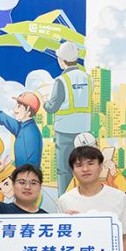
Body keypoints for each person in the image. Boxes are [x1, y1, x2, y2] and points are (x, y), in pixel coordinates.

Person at [44, 42, 93, 192]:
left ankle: (65, 201)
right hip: (84, 129)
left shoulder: (61, 81)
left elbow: (52, 107)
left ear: (61, 60)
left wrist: (45, 103)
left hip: (65, 131)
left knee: (65, 170)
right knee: (85, 168)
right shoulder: (88, 78)